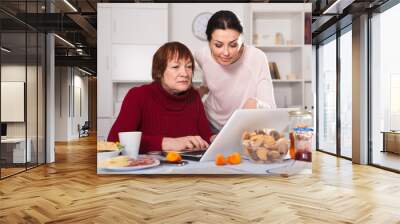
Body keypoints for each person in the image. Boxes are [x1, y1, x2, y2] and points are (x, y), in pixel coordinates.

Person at [108, 42, 213, 153]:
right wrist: (166, 143)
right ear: (159, 71)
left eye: (189, 66)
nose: (185, 73)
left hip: (187, 167)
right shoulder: (138, 95)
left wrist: (214, 139)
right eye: (176, 67)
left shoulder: (194, 96)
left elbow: (206, 138)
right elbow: (114, 141)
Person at [196, 10, 276, 133]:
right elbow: (208, 83)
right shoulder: (201, 55)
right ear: (209, 43)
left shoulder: (257, 58)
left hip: (242, 126)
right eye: (218, 45)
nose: (226, 53)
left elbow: (270, 108)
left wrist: (255, 104)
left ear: (242, 41)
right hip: (210, 123)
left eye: (233, 45)